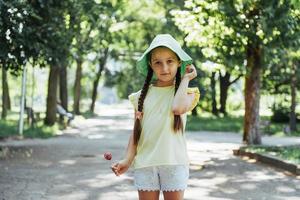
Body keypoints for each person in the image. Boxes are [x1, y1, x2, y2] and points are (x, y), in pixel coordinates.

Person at [111, 34, 200, 200]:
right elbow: (136, 133)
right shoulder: (139, 97)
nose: (164, 68)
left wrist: (186, 78)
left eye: (170, 61)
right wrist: (127, 160)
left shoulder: (187, 93)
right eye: (158, 62)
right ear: (151, 65)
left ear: (179, 62)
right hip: (145, 164)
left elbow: (177, 108)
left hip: (173, 163)